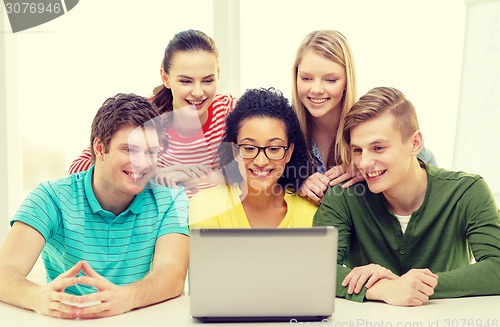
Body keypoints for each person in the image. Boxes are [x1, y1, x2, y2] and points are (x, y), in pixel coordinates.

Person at [0, 93, 189, 319]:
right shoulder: (50, 197)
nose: (143, 163)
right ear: (100, 148)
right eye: (129, 150)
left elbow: (173, 274)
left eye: (150, 152)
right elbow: (5, 272)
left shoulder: (171, 199)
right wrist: (37, 297)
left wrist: (126, 298)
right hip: (69, 325)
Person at [313, 87, 500, 306]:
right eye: (357, 150)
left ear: (415, 143)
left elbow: (496, 266)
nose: (363, 163)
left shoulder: (468, 191)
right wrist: (381, 289)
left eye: (378, 147)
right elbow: (315, 271)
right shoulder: (343, 196)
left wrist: (412, 287)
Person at [68, 29, 236, 198]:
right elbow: (78, 169)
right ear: (165, 78)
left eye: (208, 80)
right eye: (186, 81)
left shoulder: (229, 109)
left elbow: (254, 170)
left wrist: (196, 178)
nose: (198, 92)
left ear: (218, 75)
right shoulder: (145, 117)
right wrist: (151, 172)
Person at [292, 30, 437, 204]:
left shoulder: (368, 122)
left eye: (330, 80)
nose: (316, 89)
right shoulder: (282, 126)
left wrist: (371, 167)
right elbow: (259, 176)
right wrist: (295, 182)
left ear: (347, 81)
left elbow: (427, 168)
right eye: (306, 78)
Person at [189, 88, 317, 228]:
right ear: (234, 150)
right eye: (249, 148)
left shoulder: (311, 211)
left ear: (288, 152)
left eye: (274, 149)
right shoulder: (207, 206)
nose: (261, 161)